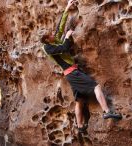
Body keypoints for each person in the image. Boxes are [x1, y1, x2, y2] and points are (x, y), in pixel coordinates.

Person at [40, 0, 122, 133]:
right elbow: (65, 47)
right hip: (73, 73)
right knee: (96, 87)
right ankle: (107, 111)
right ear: (46, 40)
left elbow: (59, 27)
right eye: (49, 36)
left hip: (72, 73)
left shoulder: (51, 40)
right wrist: (67, 37)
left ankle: (79, 126)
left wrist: (67, 7)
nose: (52, 35)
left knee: (80, 100)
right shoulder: (49, 48)